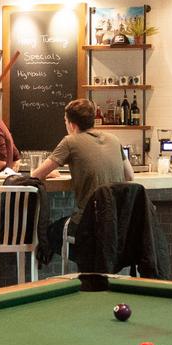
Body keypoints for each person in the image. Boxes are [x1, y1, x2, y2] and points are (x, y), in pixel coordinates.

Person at [30, 97, 135, 257]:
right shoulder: (114, 139)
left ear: (71, 124)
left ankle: (87, 264)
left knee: (49, 233)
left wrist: (51, 173)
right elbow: (130, 176)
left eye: (65, 121)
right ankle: (96, 262)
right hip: (118, 225)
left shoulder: (70, 141)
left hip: (89, 224)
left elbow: (36, 175)